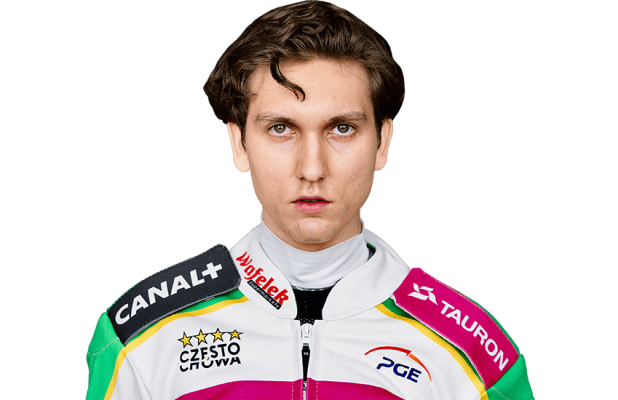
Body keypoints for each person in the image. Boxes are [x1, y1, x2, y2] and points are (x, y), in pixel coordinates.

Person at [85, 1, 534, 399]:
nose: (312, 168)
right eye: (281, 128)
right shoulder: (142, 338)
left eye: (342, 128)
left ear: (382, 142)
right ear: (239, 144)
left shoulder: (473, 356)